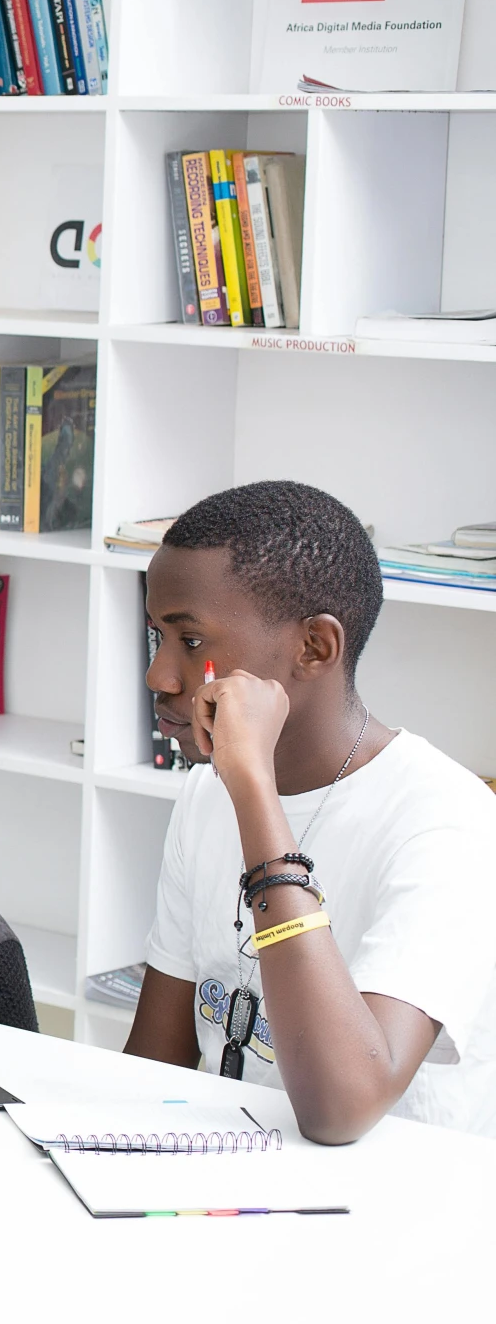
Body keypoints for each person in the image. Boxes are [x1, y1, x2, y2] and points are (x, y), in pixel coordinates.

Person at [127, 481, 496, 1143]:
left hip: (391, 1207)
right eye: (156, 634)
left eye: (189, 638)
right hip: (226, 1181)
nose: (158, 674)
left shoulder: (449, 821)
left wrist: (253, 790)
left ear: (316, 648)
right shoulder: (205, 794)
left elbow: (341, 1109)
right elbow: (155, 1066)